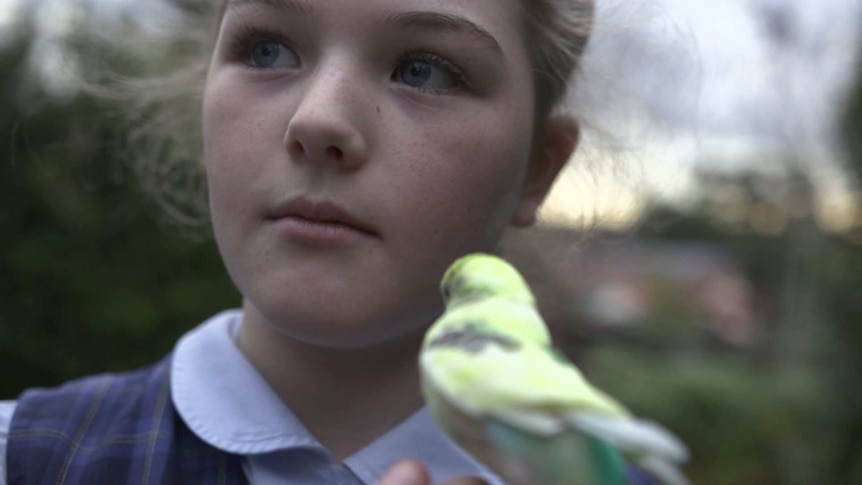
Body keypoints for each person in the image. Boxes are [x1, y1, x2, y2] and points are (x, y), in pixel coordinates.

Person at [0, 0, 653, 483]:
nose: (318, 118)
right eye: (267, 51)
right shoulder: (23, 457)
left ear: (539, 166)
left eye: (424, 70)